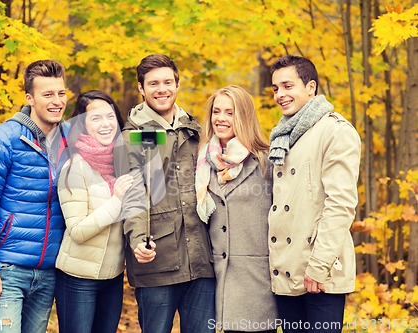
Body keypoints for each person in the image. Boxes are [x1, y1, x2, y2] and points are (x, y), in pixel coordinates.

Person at [0, 60, 68, 333]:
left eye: (61, 93)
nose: (57, 101)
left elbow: (118, 142)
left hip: (49, 270)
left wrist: (163, 135)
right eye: (47, 95)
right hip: (8, 268)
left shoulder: (70, 139)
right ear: (30, 98)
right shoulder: (2, 139)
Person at [121, 54, 216, 333]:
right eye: (153, 84)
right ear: (141, 89)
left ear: (177, 85)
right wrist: (138, 239)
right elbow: (133, 193)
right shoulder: (133, 137)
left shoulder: (196, 132)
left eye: (167, 82)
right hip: (157, 260)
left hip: (201, 261)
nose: (161, 89)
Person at [267, 55, 361, 333]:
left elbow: (340, 205)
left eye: (287, 86)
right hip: (287, 268)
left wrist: (318, 266)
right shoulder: (282, 135)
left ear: (310, 87)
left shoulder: (334, 131)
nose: (280, 95)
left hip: (320, 274)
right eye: (275, 89)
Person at [195, 85, 278, 333]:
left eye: (229, 113)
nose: (221, 118)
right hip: (217, 280)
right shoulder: (204, 160)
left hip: (257, 281)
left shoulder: (265, 160)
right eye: (216, 111)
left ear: (243, 116)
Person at [54, 90, 133, 333]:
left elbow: (160, 139)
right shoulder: (74, 167)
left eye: (109, 116)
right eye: (95, 118)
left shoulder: (122, 162)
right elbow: (77, 231)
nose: (105, 124)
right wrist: (116, 201)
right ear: (83, 125)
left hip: (113, 277)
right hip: (78, 279)